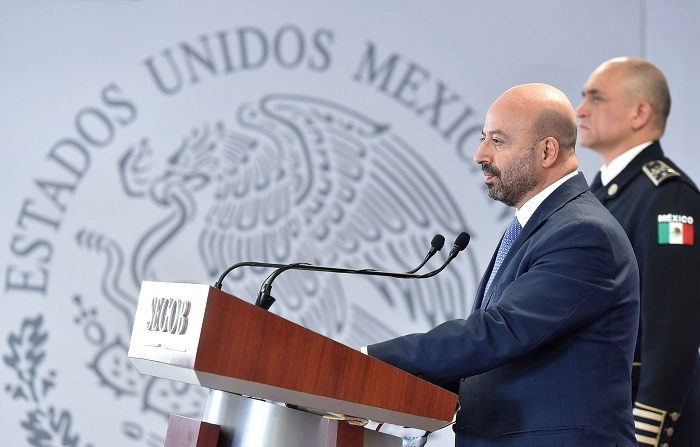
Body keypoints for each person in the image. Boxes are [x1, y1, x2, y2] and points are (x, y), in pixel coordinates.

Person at [366, 83, 640, 446]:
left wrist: (368, 361)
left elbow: (499, 332)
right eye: (483, 138)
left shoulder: (582, 234)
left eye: (497, 141)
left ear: (547, 150)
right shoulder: (539, 225)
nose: (480, 154)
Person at [577, 57, 700, 447]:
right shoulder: (597, 196)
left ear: (639, 113)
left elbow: (672, 329)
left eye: (595, 98)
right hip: (594, 416)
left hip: (631, 424)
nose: (580, 110)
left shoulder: (667, 196)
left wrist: (647, 432)